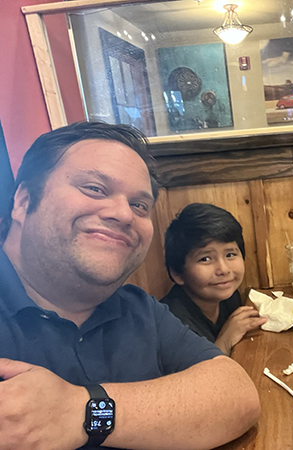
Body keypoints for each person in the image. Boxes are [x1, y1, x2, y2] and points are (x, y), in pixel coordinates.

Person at [0, 122, 260, 450]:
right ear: (22, 201)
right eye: (95, 188)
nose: (124, 214)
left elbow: (237, 395)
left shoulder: (136, 306)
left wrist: (83, 411)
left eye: (140, 205)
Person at [161, 203, 267, 356]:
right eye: (205, 259)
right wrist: (225, 340)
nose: (223, 269)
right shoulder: (173, 325)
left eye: (230, 255)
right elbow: (196, 379)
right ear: (178, 273)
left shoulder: (225, 293)